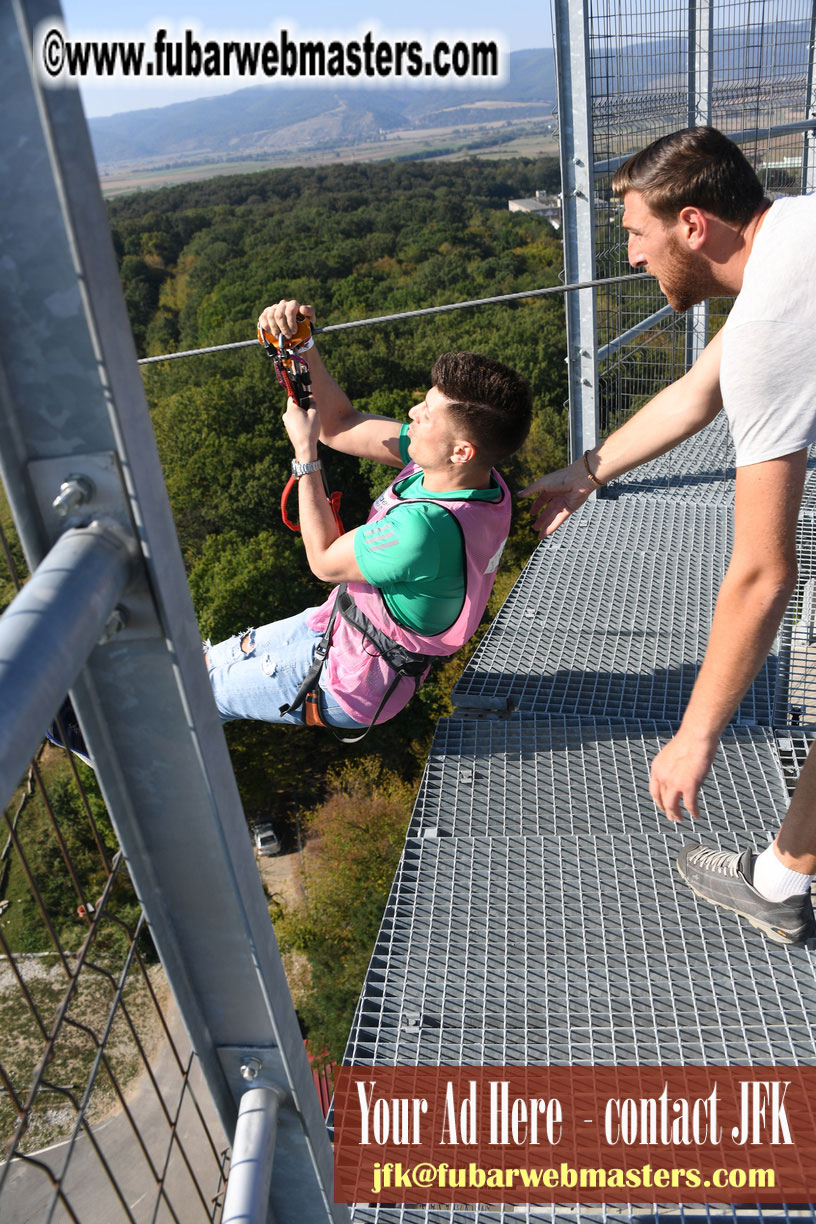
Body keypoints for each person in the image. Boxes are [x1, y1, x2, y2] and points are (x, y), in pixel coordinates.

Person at [521, 126, 816, 946]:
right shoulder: (793, 231)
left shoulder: (766, 328)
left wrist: (693, 736)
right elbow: (697, 392)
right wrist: (588, 469)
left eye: (638, 235)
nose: (633, 259)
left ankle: (780, 885)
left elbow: (761, 574)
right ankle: (782, 881)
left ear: (694, 224)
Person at [205, 298, 532, 741]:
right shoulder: (468, 477)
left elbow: (322, 561)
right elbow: (340, 423)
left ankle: (97, 738)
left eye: (428, 414)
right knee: (208, 663)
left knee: (205, 696)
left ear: (461, 451)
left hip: (349, 680)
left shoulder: (422, 530)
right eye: (424, 402)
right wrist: (303, 347)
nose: (414, 413)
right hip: (341, 624)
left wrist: (305, 456)